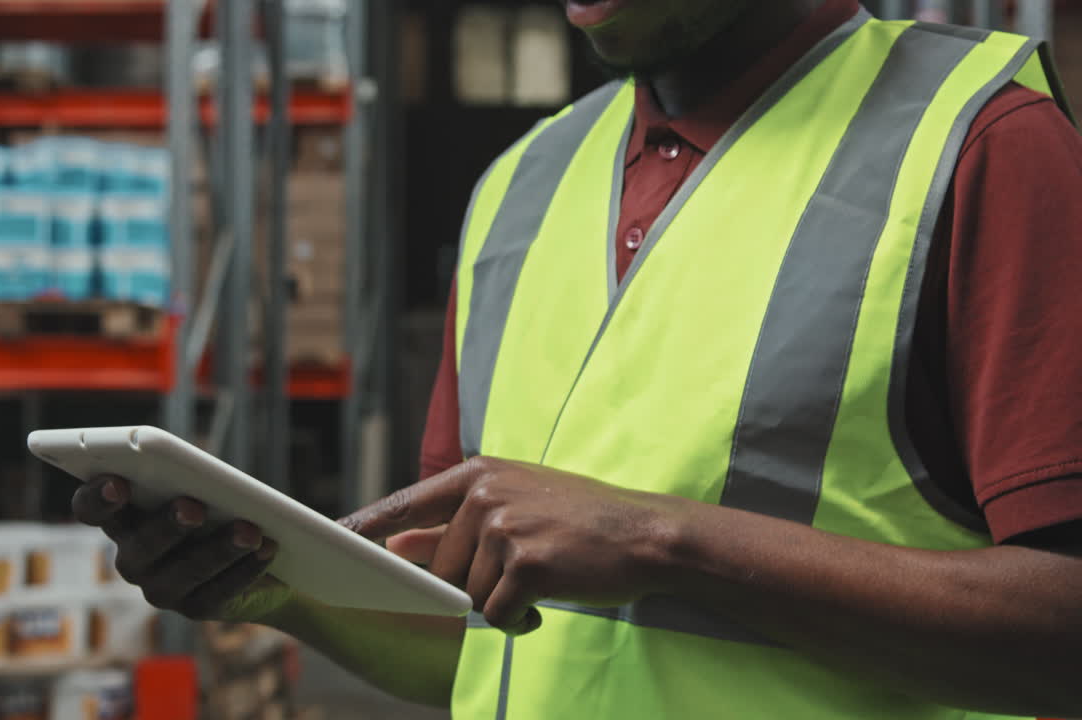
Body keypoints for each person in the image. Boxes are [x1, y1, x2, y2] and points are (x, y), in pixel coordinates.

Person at [72, 1, 1082, 717]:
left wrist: (659, 542)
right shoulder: (521, 186)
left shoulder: (977, 143)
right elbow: (478, 652)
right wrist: (273, 590)